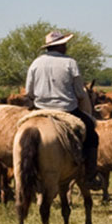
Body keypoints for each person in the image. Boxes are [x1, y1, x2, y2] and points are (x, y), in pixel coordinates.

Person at [25, 30, 101, 186]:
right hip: (66, 109)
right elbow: (80, 93)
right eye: (64, 44)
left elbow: (29, 92)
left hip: (40, 109)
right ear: (59, 46)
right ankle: (89, 175)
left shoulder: (35, 63)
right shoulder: (70, 63)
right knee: (92, 133)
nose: (66, 47)